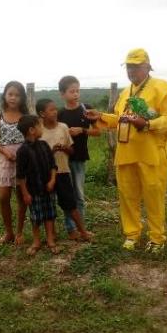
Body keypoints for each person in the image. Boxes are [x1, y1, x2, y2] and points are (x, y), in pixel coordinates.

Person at [86, 48, 167, 253]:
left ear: (147, 66)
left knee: (154, 197)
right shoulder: (125, 92)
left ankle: (156, 238)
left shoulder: (161, 88)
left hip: (151, 154)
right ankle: (132, 234)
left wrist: (146, 124)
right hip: (126, 153)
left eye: (136, 66)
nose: (132, 71)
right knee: (127, 196)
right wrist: (100, 116)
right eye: (129, 66)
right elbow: (120, 119)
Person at [37, 98, 93, 242]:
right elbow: (37, 153)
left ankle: (82, 232)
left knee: (70, 203)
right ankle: (51, 234)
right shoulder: (39, 131)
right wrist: (51, 151)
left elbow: (72, 150)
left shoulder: (63, 127)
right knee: (49, 204)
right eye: (51, 110)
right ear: (42, 114)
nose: (55, 112)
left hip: (63, 171)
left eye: (55, 109)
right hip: (46, 175)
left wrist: (64, 148)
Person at [57, 75, 100, 232]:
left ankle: (80, 227)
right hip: (62, 159)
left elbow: (97, 131)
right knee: (67, 194)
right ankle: (70, 227)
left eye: (77, 91)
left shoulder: (85, 109)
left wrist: (82, 130)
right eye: (71, 91)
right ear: (62, 94)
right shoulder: (60, 114)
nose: (75, 94)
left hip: (79, 157)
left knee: (79, 195)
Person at [0, 81, 28, 245]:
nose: (13, 98)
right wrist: (5, 152)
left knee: (21, 196)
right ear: (5, 95)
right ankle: (8, 232)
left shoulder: (26, 117)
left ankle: (19, 232)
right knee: (4, 197)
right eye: (10, 94)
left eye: (17, 95)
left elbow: (32, 137)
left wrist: (24, 153)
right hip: (5, 160)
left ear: (22, 98)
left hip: (23, 160)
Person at [15, 114, 60, 255]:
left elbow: (53, 165)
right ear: (32, 130)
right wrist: (25, 193)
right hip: (33, 191)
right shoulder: (22, 151)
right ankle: (36, 241)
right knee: (36, 217)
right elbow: (21, 176)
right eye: (40, 125)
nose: (42, 128)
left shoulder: (45, 145)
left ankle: (50, 239)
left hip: (48, 189)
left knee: (49, 215)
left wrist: (52, 180)